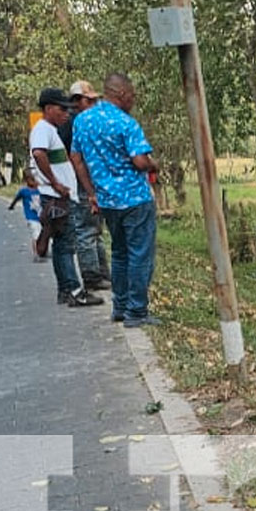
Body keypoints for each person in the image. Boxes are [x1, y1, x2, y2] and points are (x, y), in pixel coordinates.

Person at [70, 72, 160, 327]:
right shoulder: (126, 123)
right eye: (131, 96)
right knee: (140, 255)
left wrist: (91, 192)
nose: (133, 101)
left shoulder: (82, 121)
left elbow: (77, 159)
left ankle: (119, 307)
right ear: (121, 94)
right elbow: (140, 161)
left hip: (107, 201)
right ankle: (136, 311)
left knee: (119, 253)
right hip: (135, 200)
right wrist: (155, 165)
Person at [30, 87, 103, 308]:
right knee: (66, 246)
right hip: (56, 197)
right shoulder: (42, 129)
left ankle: (65, 289)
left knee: (62, 244)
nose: (66, 114)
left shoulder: (51, 130)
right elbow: (39, 154)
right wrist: (55, 183)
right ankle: (74, 289)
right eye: (62, 109)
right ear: (49, 108)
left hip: (60, 196)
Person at [60, 79, 110, 290]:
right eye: (87, 101)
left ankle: (102, 273)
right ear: (78, 101)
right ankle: (92, 276)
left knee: (94, 228)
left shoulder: (80, 121)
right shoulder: (73, 123)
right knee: (86, 230)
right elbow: (74, 157)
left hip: (89, 179)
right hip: (80, 181)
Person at [7, 171, 45, 260]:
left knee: (43, 234)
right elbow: (16, 199)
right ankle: (36, 255)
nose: (34, 182)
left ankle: (42, 251)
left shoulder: (41, 190)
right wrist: (12, 206)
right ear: (26, 180)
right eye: (31, 180)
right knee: (36, 234)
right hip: (32, 218)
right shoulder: (24, 191)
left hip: (42, 217)